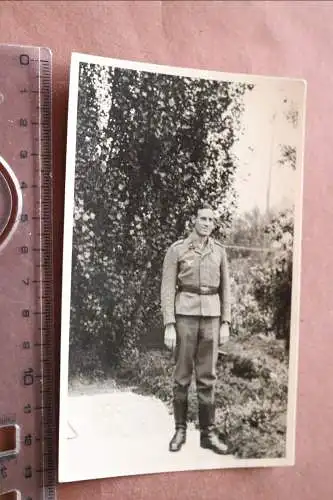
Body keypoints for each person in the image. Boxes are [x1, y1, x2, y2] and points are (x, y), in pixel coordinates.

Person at [160, 204, 231, 454]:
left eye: (211, 219)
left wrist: (226, 322)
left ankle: (207, 434)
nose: (206, 223)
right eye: (202, 218)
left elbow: (226, 290)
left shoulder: (220, 252)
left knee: (207, 377)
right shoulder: (177, 250)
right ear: (194, 220)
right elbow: (168, 288)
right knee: (181, 376)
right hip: (185, 317)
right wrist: (169, 323)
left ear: (214, 224)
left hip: (211, 317)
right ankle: (179, 431)